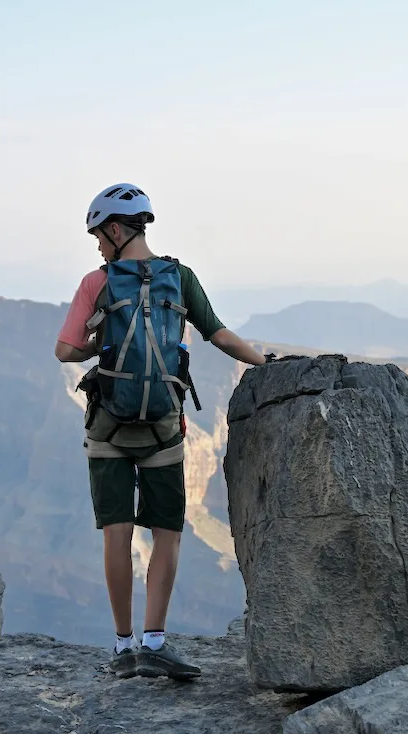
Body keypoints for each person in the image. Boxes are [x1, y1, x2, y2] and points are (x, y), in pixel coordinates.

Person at [54, 182, 267, 680]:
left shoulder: (96, 282)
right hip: (164, 429)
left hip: (107, 429)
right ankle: (155, 641)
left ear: (113, 228)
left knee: (117, 534)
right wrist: (265, 362)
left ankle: (122, 646)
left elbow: (65, 350)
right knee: (168, 532)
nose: (99, 247)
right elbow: (218, 334)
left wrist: (95, 342)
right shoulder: (180, 277)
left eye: (99, 237)